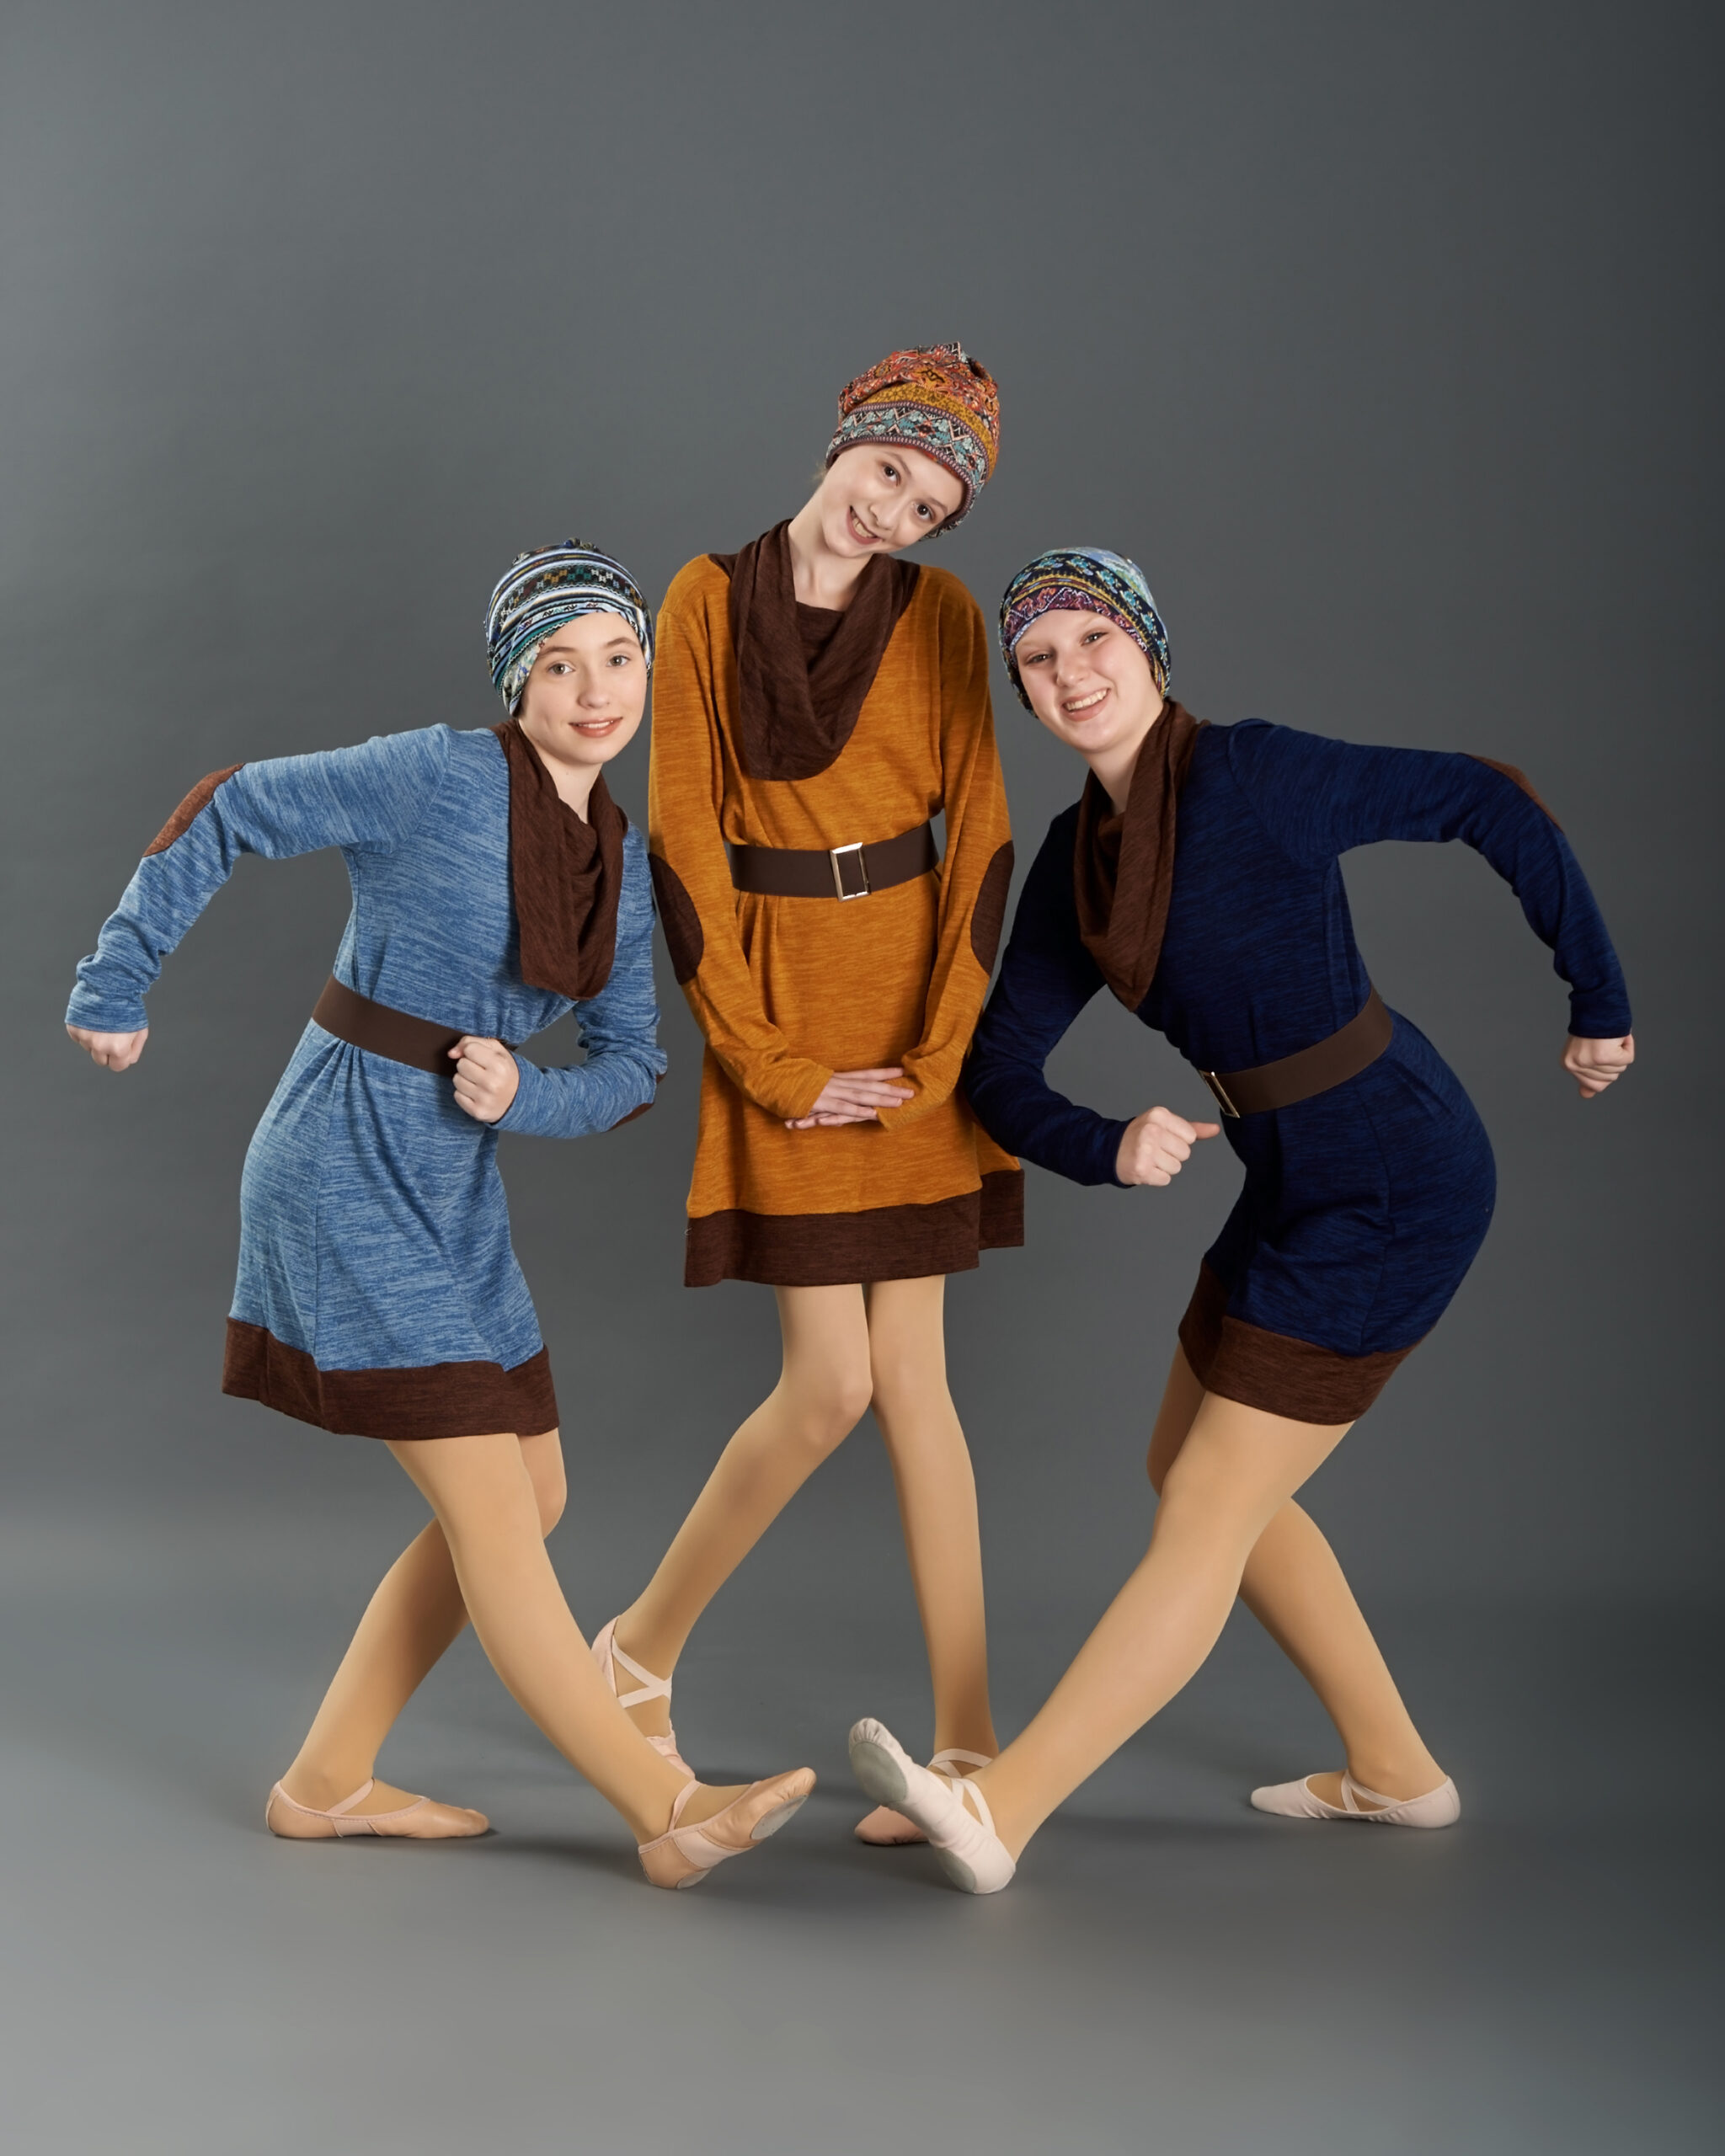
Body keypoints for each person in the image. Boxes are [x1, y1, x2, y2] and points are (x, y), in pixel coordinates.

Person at [848, 546, 1634, 1891]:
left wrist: (1598, 999)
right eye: (1040, 661)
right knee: (1186, 1470)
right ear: (1024, 697)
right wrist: (1107, 1143)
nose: (1071, 674)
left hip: (1397, 1177)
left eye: (1095, 642)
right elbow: (996, 1070)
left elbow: (1484, 800)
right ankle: (1397, 1774)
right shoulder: (1078, 863)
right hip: (1289, 1180)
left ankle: (1004, 1810)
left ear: (1151, 651)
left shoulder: (1258, 772)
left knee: (1206, 1507)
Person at [65, 542, 813, 1888]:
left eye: (619, 658)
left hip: (453, 1183)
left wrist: (528, 1091)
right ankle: (666, 1810)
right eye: (560, 664)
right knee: (499, 1518)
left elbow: (635, 1066)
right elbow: (229, 805)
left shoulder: (622, 865)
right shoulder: (434, 772)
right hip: (340, 1160)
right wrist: (117, 985)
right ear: (515, 684)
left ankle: (327, 1779)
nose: (597, 692)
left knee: (536, 1488)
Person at [599, 346, 1018, 1842]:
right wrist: (772, 1064)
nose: (898, 512)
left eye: (934, 504)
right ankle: (637, 1651)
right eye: (894, 473)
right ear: (848, 440)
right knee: (831, 1383)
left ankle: (971, 1749)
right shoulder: (702, 599)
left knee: (919, 1394)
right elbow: (681, 850)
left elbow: (980, 836)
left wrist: (946, 1048)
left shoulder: (949, 620)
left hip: (917, 1024)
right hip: (784, 1013)